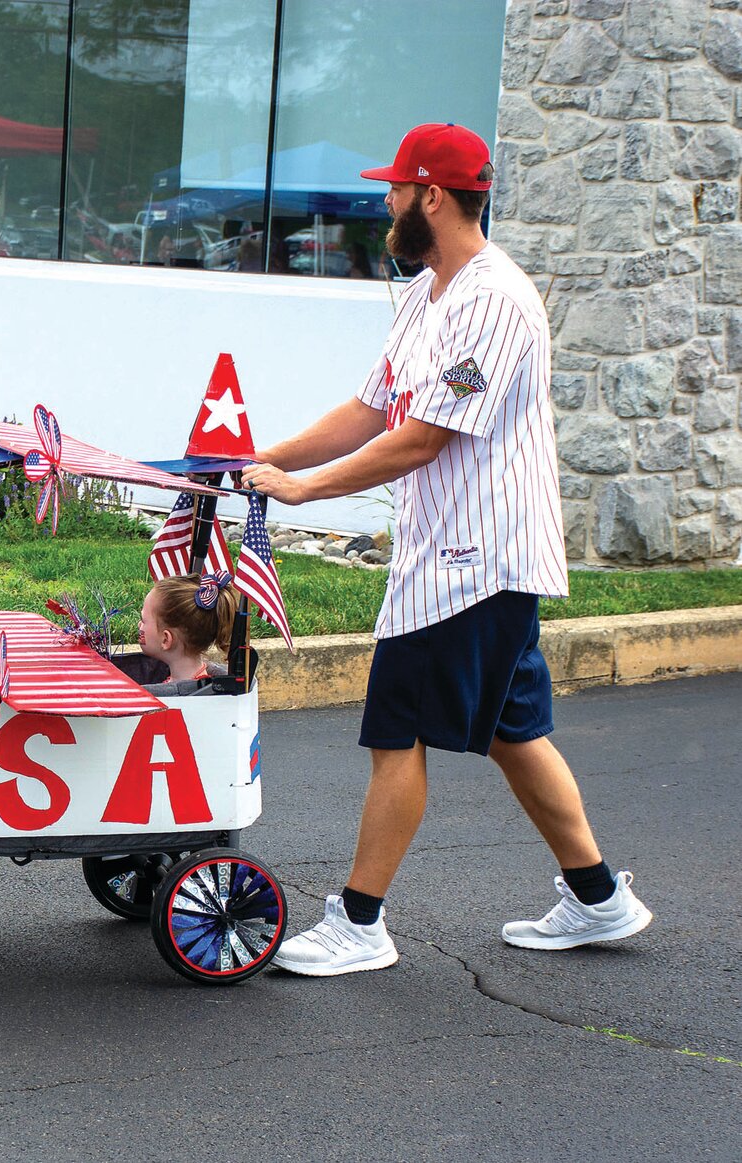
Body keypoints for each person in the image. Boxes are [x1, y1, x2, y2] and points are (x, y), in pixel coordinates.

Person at [238, 123, 652, 977]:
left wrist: (308, 492)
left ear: (432, 194)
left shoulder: (492, 299)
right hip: (458, 557)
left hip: (471, 561)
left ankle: (359, 922)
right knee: (513, 729)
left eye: (396, 187)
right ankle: (600, 896)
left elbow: (423, 437)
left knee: (400, 731)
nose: (384, 202)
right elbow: (371, 411)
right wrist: (273, 460)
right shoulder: (431, 293)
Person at [137, 572, 239, 683]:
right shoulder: (193, 686)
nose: (139, 625)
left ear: (165, 639)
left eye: (143, 620)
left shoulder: (184, 698)